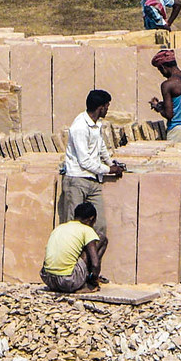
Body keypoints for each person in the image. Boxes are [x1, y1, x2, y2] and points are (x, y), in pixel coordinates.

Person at [61, 90, 123, 240]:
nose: (108, 109)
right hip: (77, 180)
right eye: (107, 106)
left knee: (99, 228)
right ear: (100, 107)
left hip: (93, 180)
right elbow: (85, 161)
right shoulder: (80, 127)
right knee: (73, 228)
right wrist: (109, 169)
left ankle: (92, 261)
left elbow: (100, 145)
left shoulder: (96, 124)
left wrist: (110, 162)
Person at [40, 202, 106, 294]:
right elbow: (95, 264)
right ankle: (88, 284)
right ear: (91, 219)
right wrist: (94, 279)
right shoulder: (87, 230)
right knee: (102, 239)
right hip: (67, 282)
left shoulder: (59, 228)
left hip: (47, 279)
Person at [148, 49, 181, 142]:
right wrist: (164, 104)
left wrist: (158, 107)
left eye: (160, 70)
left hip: (177, 132)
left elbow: (169, 115)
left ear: (163, 67)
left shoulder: (167, 84)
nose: (162, 74)